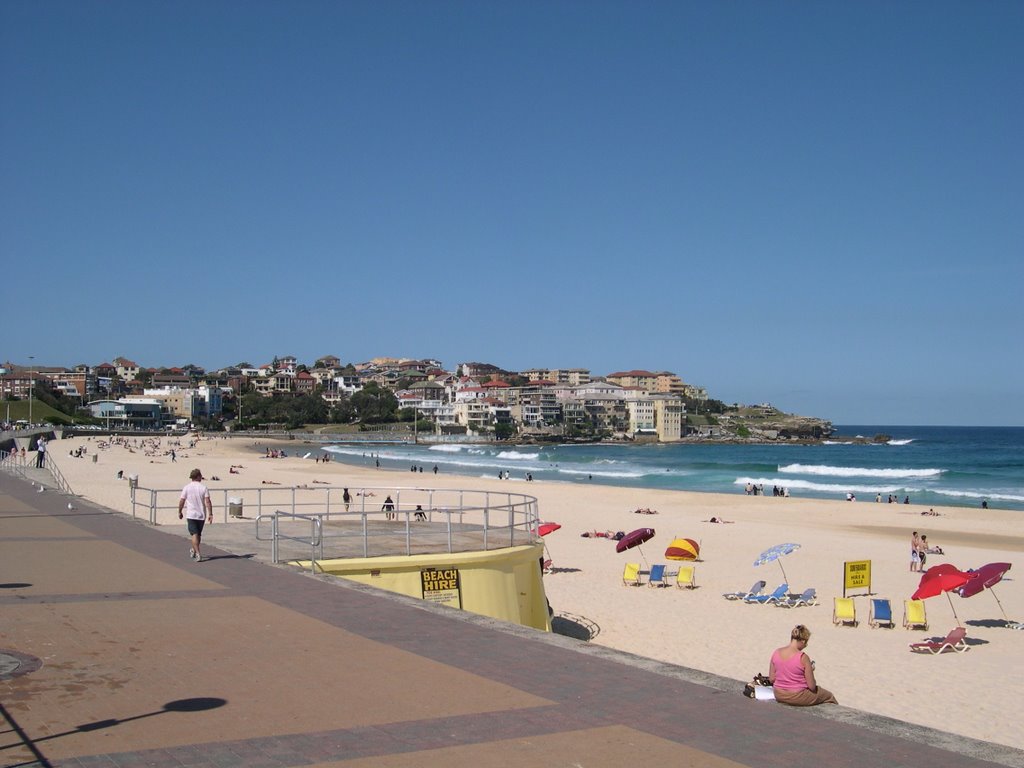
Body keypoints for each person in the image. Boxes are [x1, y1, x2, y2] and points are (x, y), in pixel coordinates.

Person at [769, 624, 837, 706]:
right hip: (797, 696)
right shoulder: (803, 657)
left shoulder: (776, 652)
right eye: (806, 643)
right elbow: (812, 686)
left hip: (779, 694)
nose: (805, 646)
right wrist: (810, 671)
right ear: (803, 641)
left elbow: (772, 679)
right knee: (829, 696)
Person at [178, 468, 213, 562]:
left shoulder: (187, 487)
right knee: (196, 534)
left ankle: (196, 552)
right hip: (200, 515)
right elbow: (208, 501)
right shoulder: (203, 488)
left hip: (192, 515)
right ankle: (196, 551)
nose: (201, 477)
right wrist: (210, 513)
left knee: (196, 534)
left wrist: (180, 511)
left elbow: (182, 501)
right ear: (197, 476)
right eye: (200, 475)